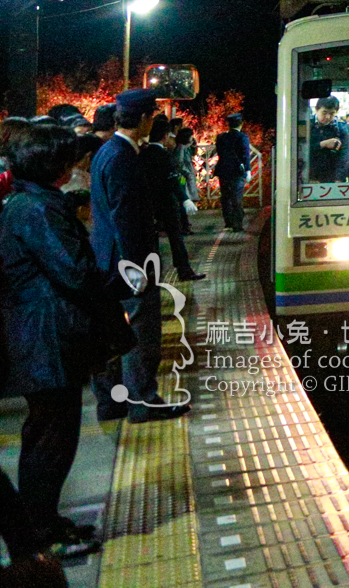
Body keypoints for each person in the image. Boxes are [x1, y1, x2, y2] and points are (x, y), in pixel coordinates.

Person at [2, 123, 132, 560]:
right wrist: (116, 282)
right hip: (47, 341)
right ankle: (41, 532)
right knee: (51, 440)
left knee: (50, 436)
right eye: (71, 160)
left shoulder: (30, 203)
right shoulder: (35, 209)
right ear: (53, 164)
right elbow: (73, 271)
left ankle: (46, 521)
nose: (78, 167)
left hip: (45, 339)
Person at [88, 88, 186, 423]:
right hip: (127, 262)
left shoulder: (106, 152)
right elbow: (125, 218)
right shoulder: (123, 157)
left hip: (106, 259)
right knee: (142, 333)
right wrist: (136, 270)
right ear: (144, 119)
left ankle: (109, 401)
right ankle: (143, 401)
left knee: (112, 331)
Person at [143, 117, 201, 284]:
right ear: (164, 136)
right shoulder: (164, 155)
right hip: (167, 203)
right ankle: (184, 270)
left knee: (151, 239)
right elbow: (172, 180)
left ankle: (153, 272)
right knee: (176, 237)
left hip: (149, 203)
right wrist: (185, 199)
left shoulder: (143, 154)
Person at [212, 114, 252, 234]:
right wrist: (248, 170)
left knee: (225, 197)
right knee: (236, 198)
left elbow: (219, 152)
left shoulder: (221, 137)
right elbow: (245, 154)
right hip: (236, 171)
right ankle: (237, 225)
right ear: (241, 124)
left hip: (223, 170)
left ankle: (228, 222)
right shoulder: (242, 137)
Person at [307, 96, 349, 183]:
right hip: (309, 176)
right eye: (324, 112)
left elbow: (343, 156)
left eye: (332, 113)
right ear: (316, 110)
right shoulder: (307, 126)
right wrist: (322, 144)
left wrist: (339, 178)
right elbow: (303, 150)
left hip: (331, 177)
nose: (328, 117)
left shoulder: (340, 129)